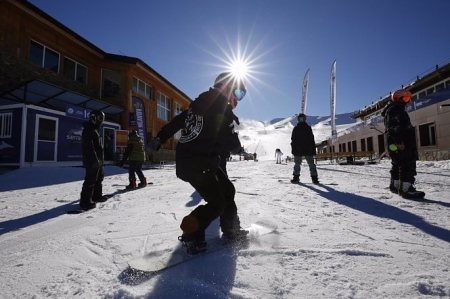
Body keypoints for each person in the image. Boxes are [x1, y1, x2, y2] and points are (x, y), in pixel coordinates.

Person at [152, 72, 247, 254]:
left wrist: (160, 138)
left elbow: (177, 121)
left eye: (242, 95)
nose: (238, 100)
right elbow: (228, 139)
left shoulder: (202, 105)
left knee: (228, 190)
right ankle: (192, 234)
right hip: (197, 165)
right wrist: (237, 148)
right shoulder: (219, 108)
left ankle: (231, 230)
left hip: (200, 161)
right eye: (238, 93)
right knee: (217, 203)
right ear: (226, 88)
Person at [382, 89, 425, 198]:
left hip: (396, 143)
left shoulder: (393, 109)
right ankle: (406, 189)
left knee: (397, 163)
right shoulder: (394, 110)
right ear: (398, 99)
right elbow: (394, 127)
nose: (407, 101)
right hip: (401, 143)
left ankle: (395, 186)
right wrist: (399, 142)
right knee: (407, 164)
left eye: (408, 98)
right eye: (405, 98)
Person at [79, 110, 107, 210]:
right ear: (94, 118)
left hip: (98, 160)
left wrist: (100, 160)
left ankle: (96, 196)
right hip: (92, 161)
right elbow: (89, 147)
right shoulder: (88, 129)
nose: (101, 121)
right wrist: (95, 159)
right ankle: (85, 202)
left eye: (102, 119)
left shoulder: (95, 130)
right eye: (100, 118)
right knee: (90, 180)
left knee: (99, 179)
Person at [290, 113, 319, 184]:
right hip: (300, 149)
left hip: (306, 149)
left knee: (311, 164)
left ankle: (314, 178)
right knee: (297, 164)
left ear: (305, 119)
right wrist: (293, 149)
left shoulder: (308, 128)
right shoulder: (296, 128)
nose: (301, 120)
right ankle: (296, 177)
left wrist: (313, 149)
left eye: (302, 119)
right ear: (298, 120)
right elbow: (293, 140)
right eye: (300, 119)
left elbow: (312, 139)